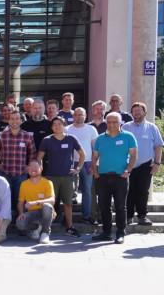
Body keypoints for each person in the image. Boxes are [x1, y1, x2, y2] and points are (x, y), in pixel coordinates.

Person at [92, 112, 138, 244]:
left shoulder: (128, 136)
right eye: (109, 122)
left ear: (120, 123)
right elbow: (95, 157)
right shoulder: (100, 138)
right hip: (103, 177)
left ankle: (120, 233)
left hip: (120, 177)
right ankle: (106, 232)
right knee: (104, 206)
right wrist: (95, 172)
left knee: (120, 206)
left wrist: (128, 170)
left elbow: (134, 155)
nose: (111, 125)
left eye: (114, 122)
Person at [37, 116, 85, 237]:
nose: (57, 126)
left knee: (68, 203)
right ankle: (45, 229)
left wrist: (78, 168)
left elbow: (82, 154)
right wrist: (39, 170)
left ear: (64, 126)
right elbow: (39, 158)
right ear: (52, 127)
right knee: (49, 203)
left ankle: (69, 227)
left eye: (60, 124)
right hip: (51, 177)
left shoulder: (71, 139)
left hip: (67, 177)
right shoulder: (47, 140)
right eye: (54, 124)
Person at [122, 102, 163, 226]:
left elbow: (158, 146)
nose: (137, 113)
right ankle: (128, 216)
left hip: (146, 165)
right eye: (134, 111)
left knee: (143, 191)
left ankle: (142, 216)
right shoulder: (125, 127)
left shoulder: (152, 127)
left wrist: (157, 163)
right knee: (128, 190)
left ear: (145, 113)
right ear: (131, 113)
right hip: (128, 165)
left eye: (139, 111)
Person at [0, 109, 36, 217]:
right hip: (5, 173)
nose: (15, 121)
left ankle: (21, 221)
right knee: (5, 199)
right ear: (8, 120)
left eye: (17, 118)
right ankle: (6, 221)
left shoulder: (27, 136)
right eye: (12, 119)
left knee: (21, 199)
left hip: (21, 174)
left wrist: (29, 167)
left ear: (21, 121)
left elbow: (32, 154)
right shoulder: (1, 136)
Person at [65, 108, 99, 224]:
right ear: (73, 116)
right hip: (71, 163)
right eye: (76, 114)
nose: (79, 116)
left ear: (85, 116)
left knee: (87, 190)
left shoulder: (91, 129)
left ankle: (87, 215)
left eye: (81, 115)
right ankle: (68, 217)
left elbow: (95, 148)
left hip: (87, 162)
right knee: (69, 191)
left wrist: (94, 164)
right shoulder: (67, 129)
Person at [16, 160, 55, 244]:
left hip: (45, 212)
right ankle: (36, 228)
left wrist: (35, 202)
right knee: (20, 223)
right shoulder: (24, 184)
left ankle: (45, 233)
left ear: (41, 168)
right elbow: (20, 202)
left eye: (36, 167)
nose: (33, 169)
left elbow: (52, 200)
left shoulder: (47, 183)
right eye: (31, 167)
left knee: (47, 206)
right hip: (32, 213)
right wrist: (21, 213)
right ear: (27, 169)